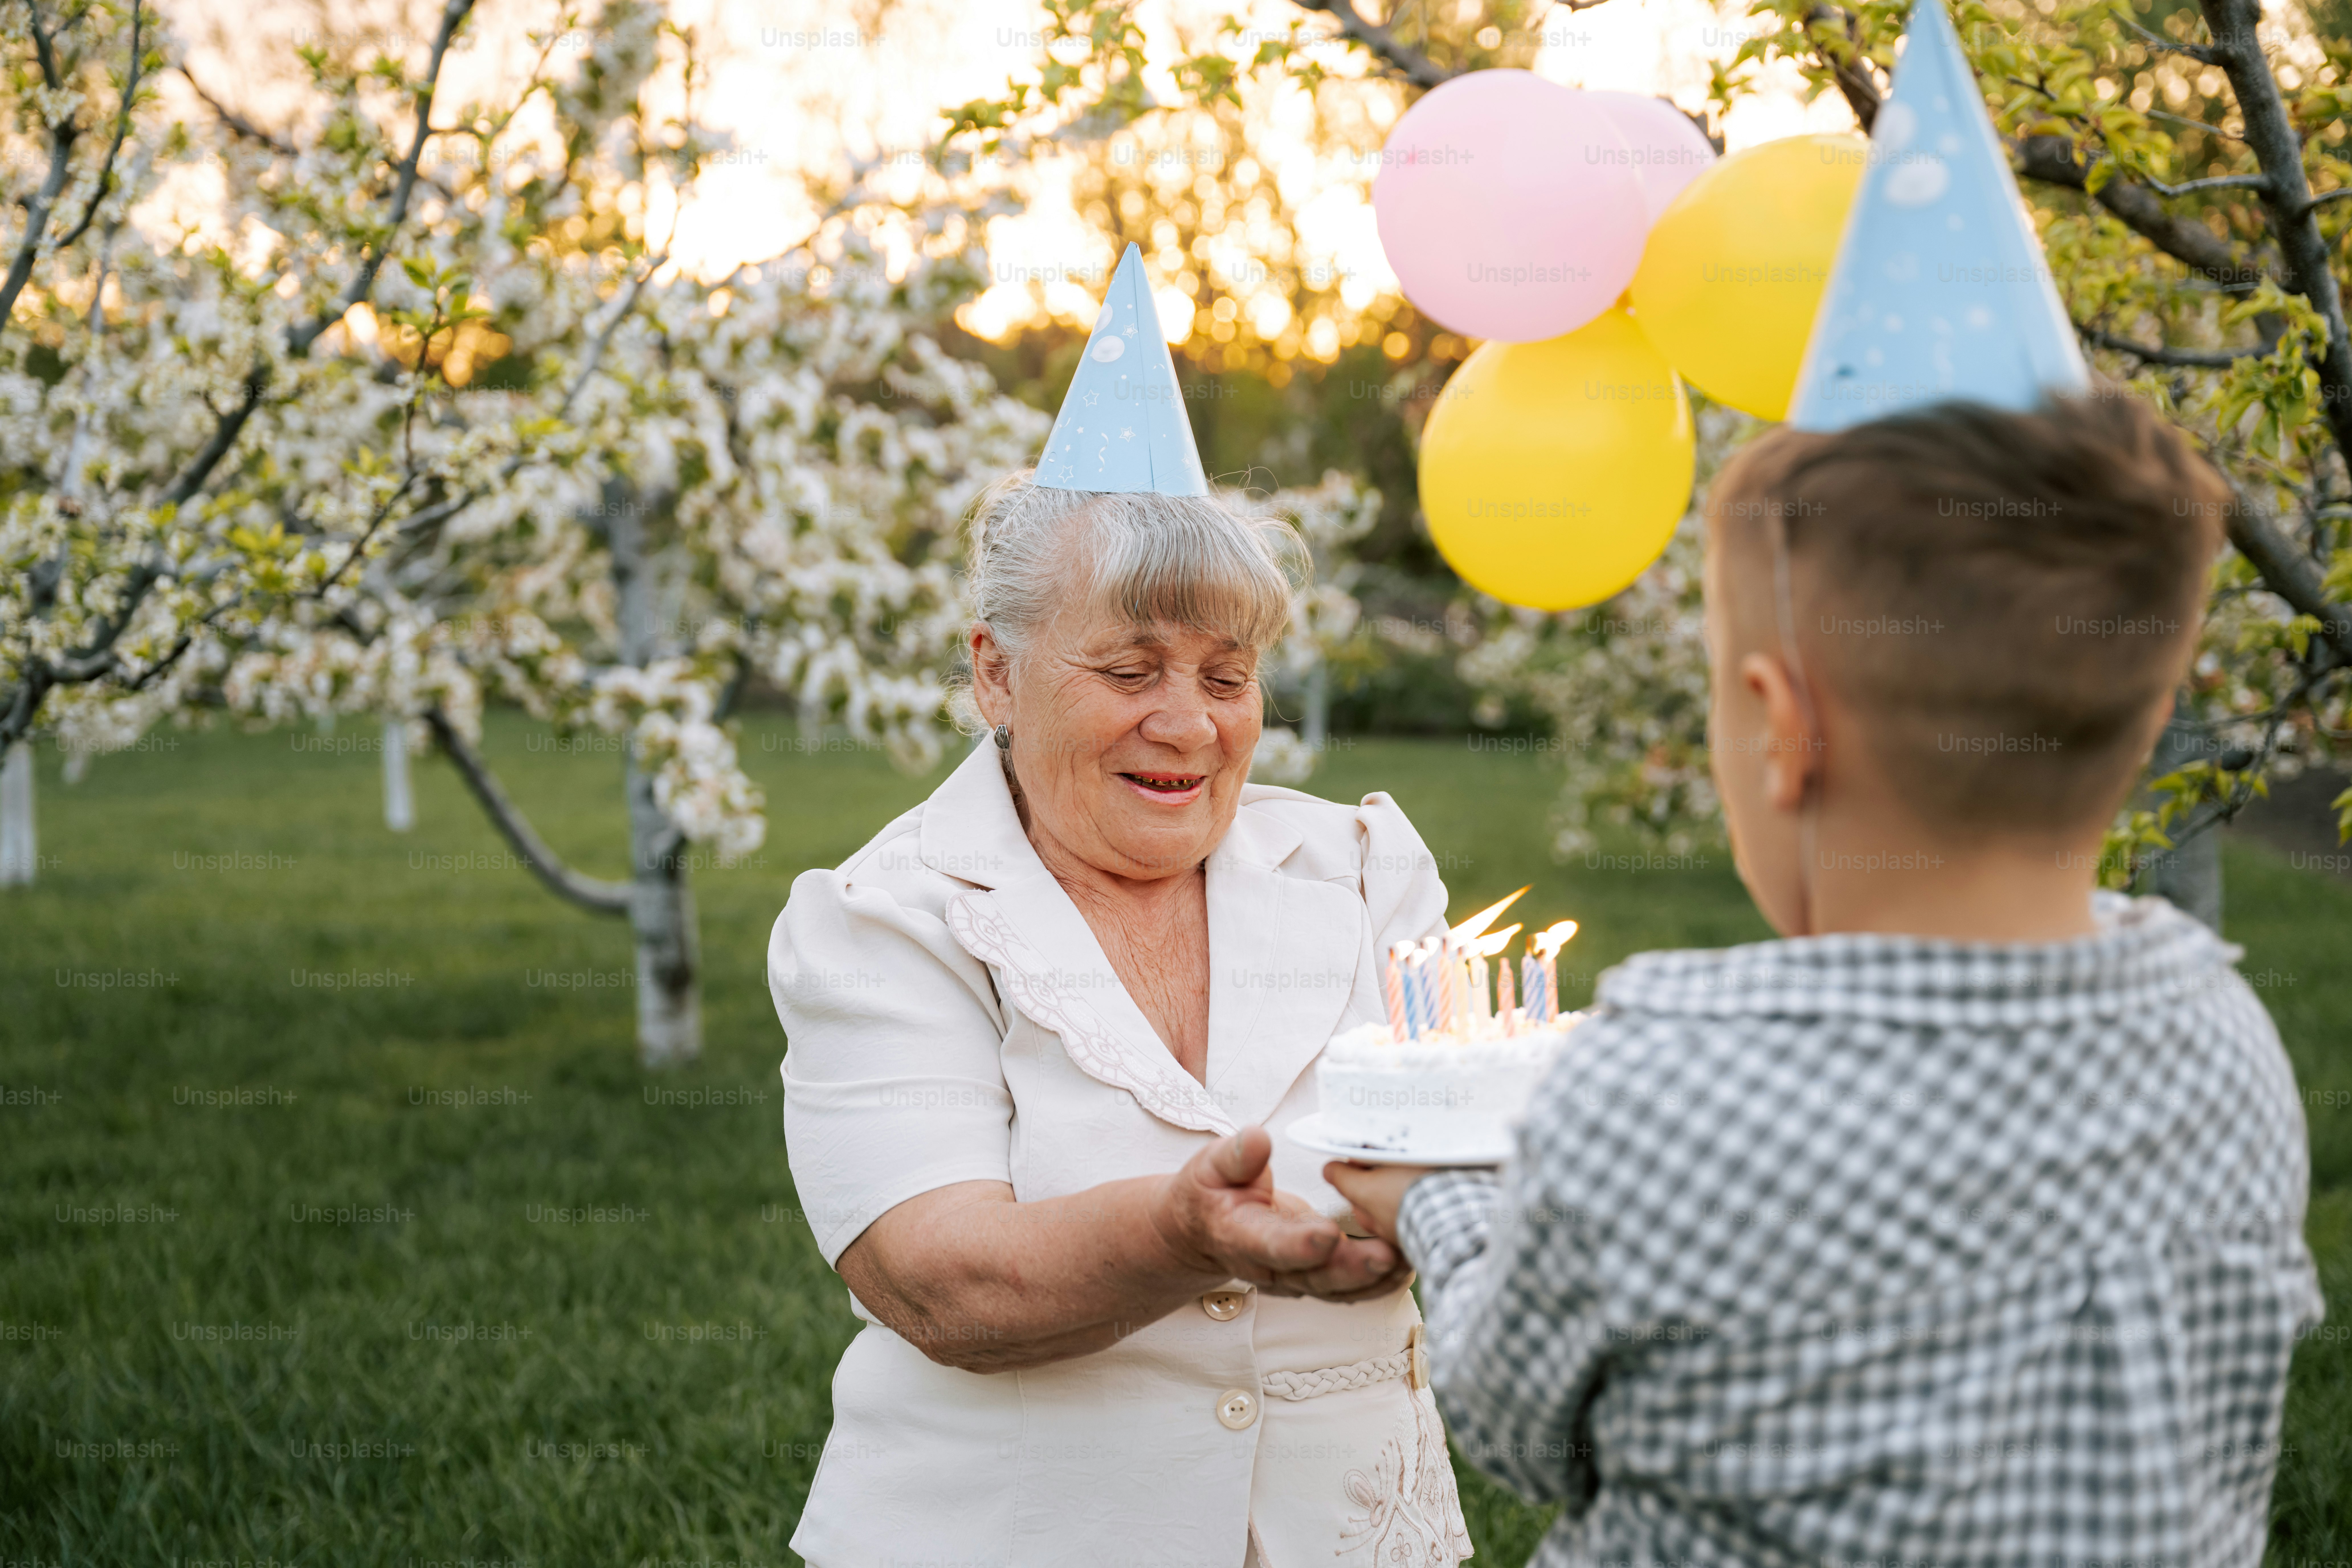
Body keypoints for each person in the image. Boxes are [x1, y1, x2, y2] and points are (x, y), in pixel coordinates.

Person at [1330, 389, 2326, 1562]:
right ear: (2152, 712)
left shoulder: (1660, 1082)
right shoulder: (2226, 1033)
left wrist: (1439, 1198)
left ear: (1782, 724)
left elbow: (1519, 1423)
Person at [770, 248, 1470, 1568]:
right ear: (995, 670)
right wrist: (1179, 1231)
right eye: (1131, 666)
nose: (1190, 723)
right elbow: (941, 1279)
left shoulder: (1368, 868)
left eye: (1226, 672)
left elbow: (1455, 1140)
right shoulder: (888, 918)